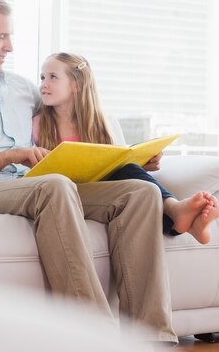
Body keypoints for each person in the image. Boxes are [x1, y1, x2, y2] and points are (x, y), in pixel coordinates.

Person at [0, 0, 178, 344]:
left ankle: (149, 336)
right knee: (53, 185)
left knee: (141, 193)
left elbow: (70, 110)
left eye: (10, 37)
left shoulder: (22, 89)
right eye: (1, 36)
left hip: (40, 185)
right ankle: (92, 336)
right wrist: (10, 156)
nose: (9, 46)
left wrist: (128, 160)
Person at [33, 52, 219, 245]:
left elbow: (115, 163)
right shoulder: (38, 124)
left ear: (77, 84)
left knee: (131, 174)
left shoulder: (101, 123)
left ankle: (185, 219)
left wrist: (144, 164)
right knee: (132, 184)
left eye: (52, 77)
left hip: (102, 188)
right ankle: (177, 212)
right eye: (42, 77)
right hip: (66, 193)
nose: (44, 84)